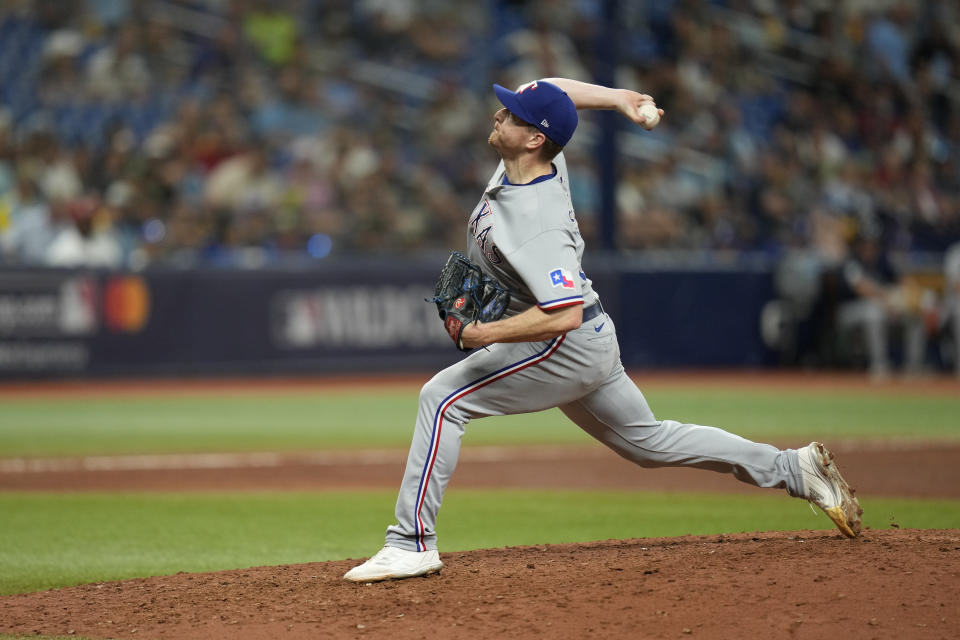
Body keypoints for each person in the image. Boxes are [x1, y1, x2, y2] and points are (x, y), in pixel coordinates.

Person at [343, 79, 862, 583]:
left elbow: (562, 313)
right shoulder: (537, 157)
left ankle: (410, 544)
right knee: (650, 444)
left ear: (534, 138)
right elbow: (550, 89)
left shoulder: (538, 220)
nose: (498, 113)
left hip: (564, 343)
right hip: (589, 337)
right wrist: (621, 99)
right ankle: (794, 469)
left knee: (444, 399)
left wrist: (485, 333)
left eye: (511, 115)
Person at [835, 234, 928, 379]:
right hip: (850, 311)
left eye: (872, 244)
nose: (869, 248)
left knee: (914, 316)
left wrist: (908, 299)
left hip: (885, 307)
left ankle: (914, 367)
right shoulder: (851, 262)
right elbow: (861, 288)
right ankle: (879, 365)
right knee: (873, 312)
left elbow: (904, 280)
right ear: (859, 246)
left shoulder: (883, 261)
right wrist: (889, 300)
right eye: (865, 244)